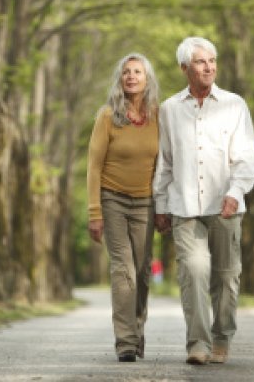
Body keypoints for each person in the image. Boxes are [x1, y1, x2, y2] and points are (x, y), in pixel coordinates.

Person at [153, 36, 254, 365]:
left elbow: (246, 156)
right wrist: (160, 206)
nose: (209, 67)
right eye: (200, 62)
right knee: (193, 271)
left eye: (212, 61)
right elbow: (165, 161)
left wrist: (236, 191)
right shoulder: (170, 109)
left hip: (226, 204)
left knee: (227, 275)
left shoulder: (234, 104)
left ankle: (222, 336)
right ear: (184, 68)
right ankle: (198, 343)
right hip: (184, 206)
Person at [87, 53, 160, 363]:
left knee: (142, 273)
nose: (131, 76)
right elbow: (93, 165)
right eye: (126, 72)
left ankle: (137, 328)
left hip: (147, 202)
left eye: (138, 72)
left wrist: (167, 205)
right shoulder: (107, 116)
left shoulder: (159, 116)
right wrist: (94, 212)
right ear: (120, 79)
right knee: (123, 269)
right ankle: (125, 342)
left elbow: (165, 163)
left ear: (147, 79)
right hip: (112, 199)